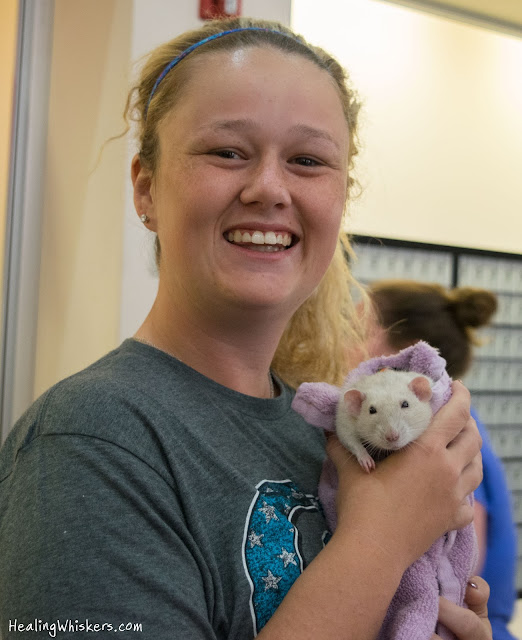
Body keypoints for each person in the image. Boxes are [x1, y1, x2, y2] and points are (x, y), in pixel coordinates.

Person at [0, 17, 490, 640]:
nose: (269, 188)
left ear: (342, 198)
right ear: (145, 187)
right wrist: (383, 537)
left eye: (308, 160)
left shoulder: (325, 436)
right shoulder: (86, 445)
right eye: (227, 152)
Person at [366, 278, 518, 640]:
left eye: (354, 327)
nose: (334, 339)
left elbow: (460, 564)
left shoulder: (440, 431)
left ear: (400, 355)